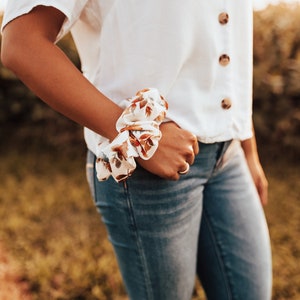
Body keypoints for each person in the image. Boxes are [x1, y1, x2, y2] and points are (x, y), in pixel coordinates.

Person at [1, 1, 272, 299]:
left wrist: (248, 148)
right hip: (146, 169)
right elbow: (21, 42)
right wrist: (139, 135)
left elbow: (228, 38)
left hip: (228, 154)